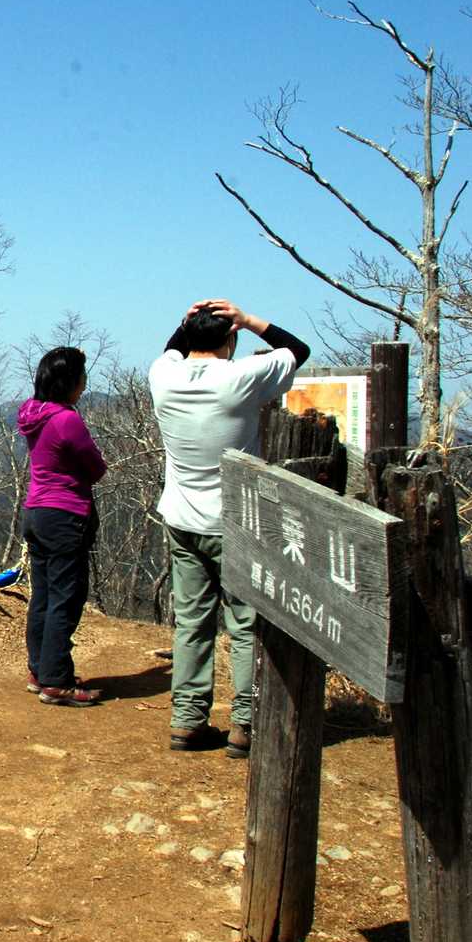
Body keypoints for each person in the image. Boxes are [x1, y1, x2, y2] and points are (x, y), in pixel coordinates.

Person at [150, 298, 309, 757]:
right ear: (231, 339)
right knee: (246, 625)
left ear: (188, 337)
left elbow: (172, 349)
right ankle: (246, 723)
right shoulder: (241, 377)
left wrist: (187, 322)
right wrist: (249, 319)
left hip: (181, 518)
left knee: (191, 623)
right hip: (236, 522)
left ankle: (187, 721)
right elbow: (297, 350)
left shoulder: (163, 376)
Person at [18, 346, 108, 707]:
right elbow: (96, 468)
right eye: (82, 377)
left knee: (42, 595)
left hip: (36, 512)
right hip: (65, 514)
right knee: (65, 598)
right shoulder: (67, 420)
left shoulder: (32, 412)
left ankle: (40, 670)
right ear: (69, 382)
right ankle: (56, 680)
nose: (85, 384)